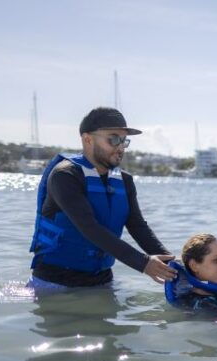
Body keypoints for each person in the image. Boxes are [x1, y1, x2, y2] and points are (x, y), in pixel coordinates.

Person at [29, 107, 177, 288]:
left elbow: (138, 226)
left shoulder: (124, 181)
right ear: (88, 139)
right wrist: (144, 263)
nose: (120, 147)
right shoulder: (65, 175)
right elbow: (89, 227)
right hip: (54, 283)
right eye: (114, 139)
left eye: (124, 141)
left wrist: (173, 265)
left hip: (102, 281)